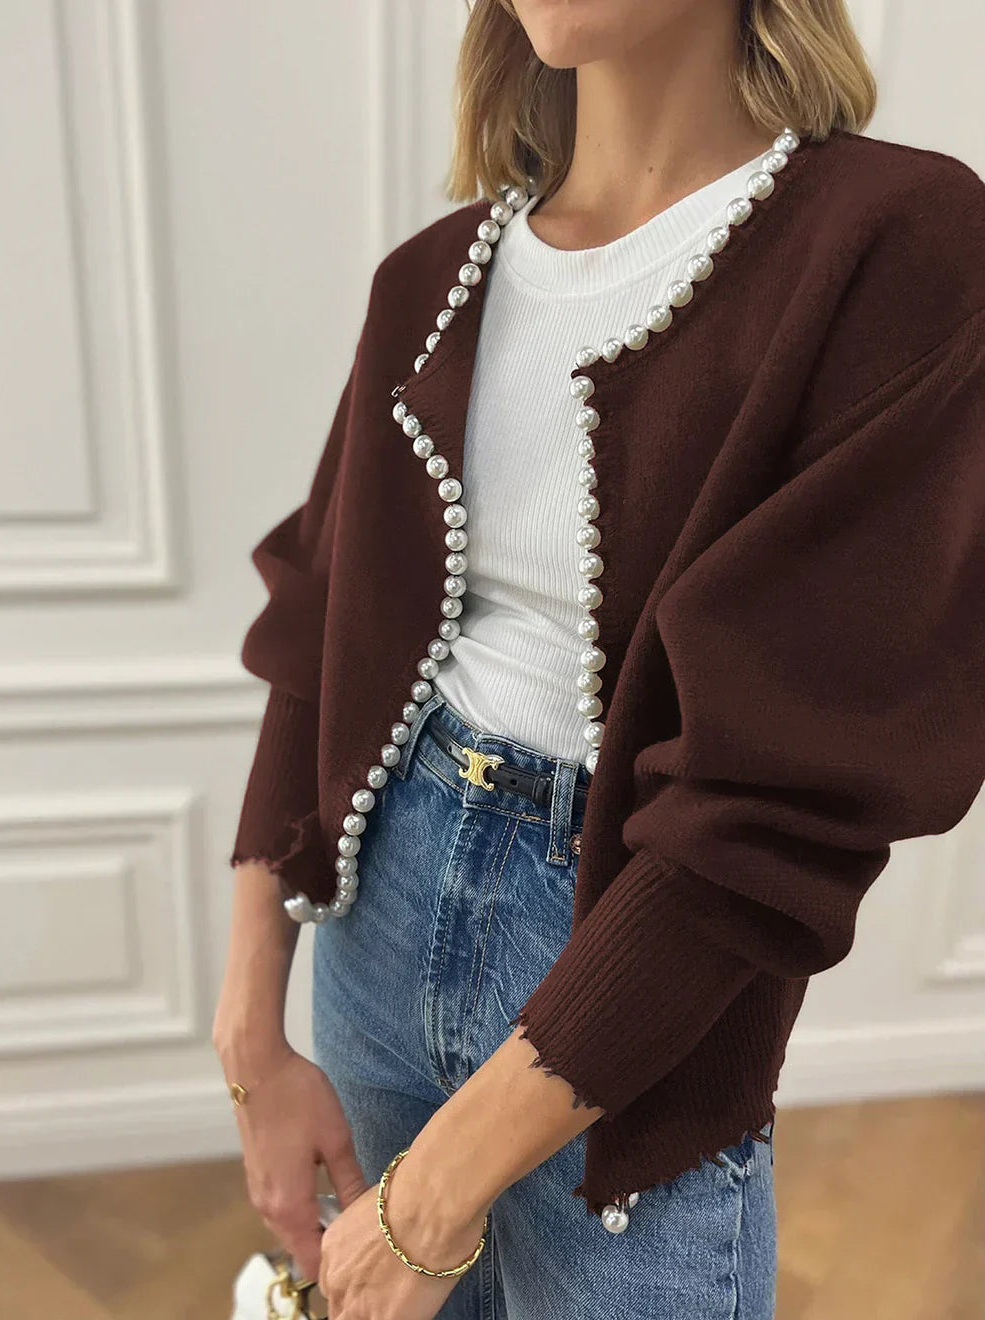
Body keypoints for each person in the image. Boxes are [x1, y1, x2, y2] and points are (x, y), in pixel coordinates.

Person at [213, 1, 985, 1317]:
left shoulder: (895, 242)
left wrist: (437, 1190)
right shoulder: (432, 276)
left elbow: (785, 797)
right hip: (372, 936)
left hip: (635, 975)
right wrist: (250, 1041)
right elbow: (319, 635)